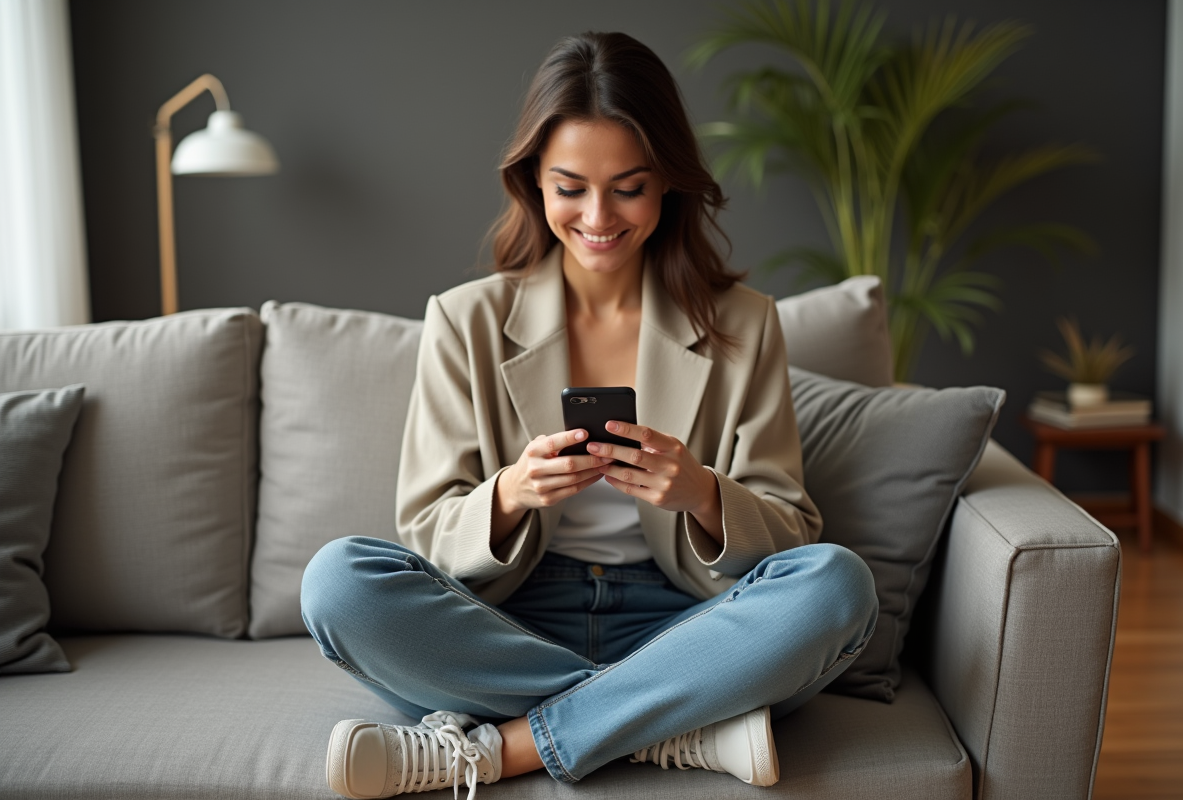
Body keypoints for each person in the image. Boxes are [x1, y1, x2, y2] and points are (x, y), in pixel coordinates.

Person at [301, 31, 878, 800]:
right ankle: (673, 721)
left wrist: (702, 494)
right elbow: (428, 530)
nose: (598, 216)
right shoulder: (465, 320)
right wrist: (511, 494)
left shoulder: (744, 323)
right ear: (533, 183)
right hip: (511, 622)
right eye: (570, 187)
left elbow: (793, 530)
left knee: (838, 586)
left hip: (686, 622)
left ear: (667, 183)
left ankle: (505, 746)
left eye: (628, 187)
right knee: (337, 582)